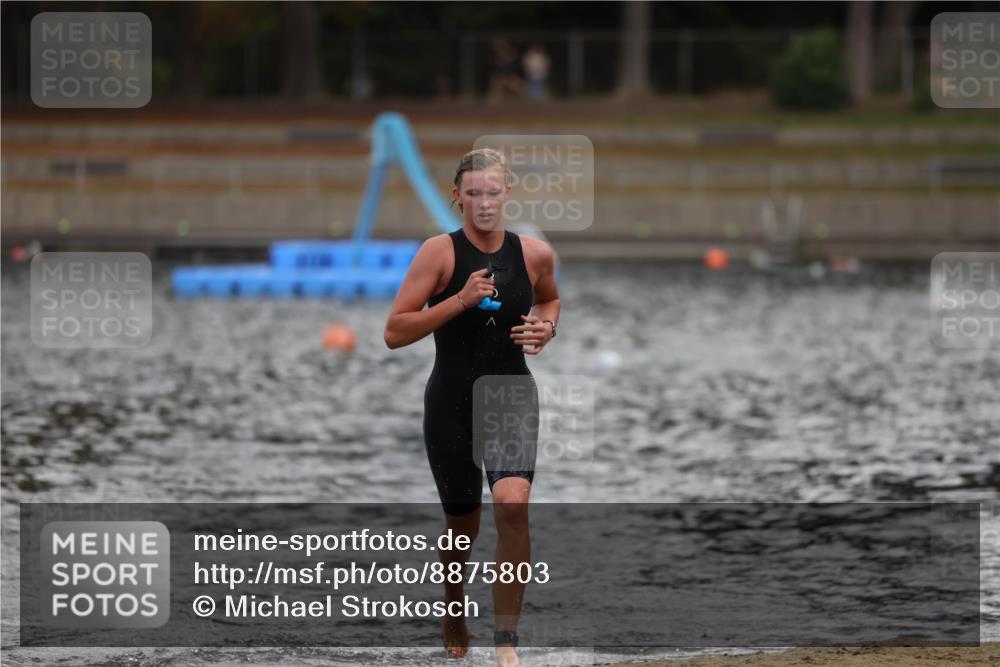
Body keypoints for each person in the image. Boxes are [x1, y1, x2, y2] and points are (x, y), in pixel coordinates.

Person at [384, 148, 560, 667]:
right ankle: (454, 603)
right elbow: (394, 332)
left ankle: (506, 645)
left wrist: (547, 327)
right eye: (474, 193)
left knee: (513, 506)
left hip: (510, 393)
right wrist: (459, 300)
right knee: (463, 527)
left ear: (508, 194)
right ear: (457, 197)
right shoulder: (438, 253)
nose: (484, 203)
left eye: (493, 192)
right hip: (451, 401)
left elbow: (549, 299)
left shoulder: (533, 254)